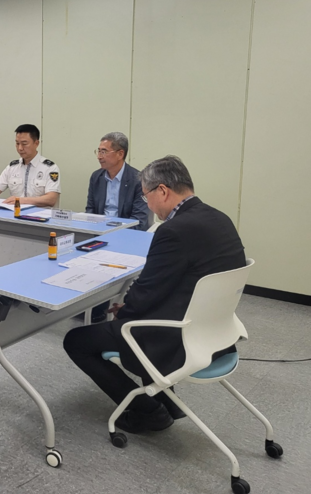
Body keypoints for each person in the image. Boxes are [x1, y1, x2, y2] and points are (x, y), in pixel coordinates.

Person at [63, 156, 246, 434]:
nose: (147, 203)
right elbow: (171, 284)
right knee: (139, 313)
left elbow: (147, 292)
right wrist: (134, 305)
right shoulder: (220, 218)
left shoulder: (173, 230)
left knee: (76, 340)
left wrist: (124, 310)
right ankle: (167, 402)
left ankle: (147, 412)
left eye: (146, 195)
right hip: (216, 332)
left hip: (178, 338)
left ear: (162, 191)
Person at [83, 132, 150, 323]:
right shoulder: (96, 177)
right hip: (99, 234)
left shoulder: (138, 179)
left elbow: (139, 220)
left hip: (126, 237)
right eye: (98, 151)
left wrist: (113, 237)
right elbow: (90, 210)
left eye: (104, 151)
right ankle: (89, 302)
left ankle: (102, 305)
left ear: (120, 154)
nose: (99, 156)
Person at [0, 124, 60, 207]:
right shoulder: (12, 167)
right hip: (15, 213)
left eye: (24, 144)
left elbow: (51, 199)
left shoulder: (50, 168)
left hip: (39, 214)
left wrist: (21, 200)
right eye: (17, 143)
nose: (20, 148)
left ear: (36, 143)